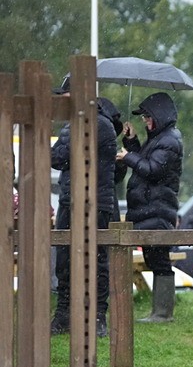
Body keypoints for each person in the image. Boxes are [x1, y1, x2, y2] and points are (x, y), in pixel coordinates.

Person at [49, 75, 123, 336]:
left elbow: (58, 156)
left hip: (96, 202)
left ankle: (98, 315)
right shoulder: (78, 124)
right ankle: (65, 314)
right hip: (71, 199)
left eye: (66, 96)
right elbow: (58, 158)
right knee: (65, 261)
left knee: (98, 261)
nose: (62, 101)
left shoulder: (98, 125)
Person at [116, 91, 184, 323]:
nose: (144, 120)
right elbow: (145, 163)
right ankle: (160, 311)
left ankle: (163, 313)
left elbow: (152, 171)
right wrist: (131, 142)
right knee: (154, 259)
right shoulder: (160, 139)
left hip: (157, 210)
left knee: (159, 261)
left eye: (147, 116)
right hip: (149, 210)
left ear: (159, 115)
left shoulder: (169, 140)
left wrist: (128, 157)